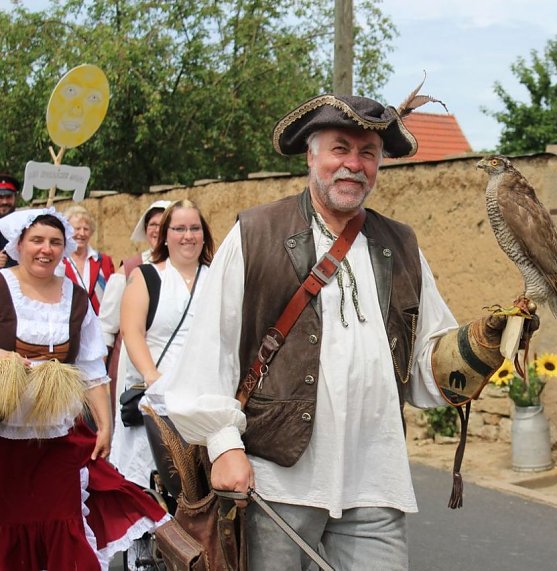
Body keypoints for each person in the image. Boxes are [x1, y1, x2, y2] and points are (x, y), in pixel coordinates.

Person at [163, 91, 517, 570]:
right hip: (278, 480)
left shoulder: (402, 244)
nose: (354, 164)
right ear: (311, 155)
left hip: (375, 481)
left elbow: (424, 361)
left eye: (368, 153)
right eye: (339, 149)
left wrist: (481, 346)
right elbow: (211, 349)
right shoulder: (258, 232)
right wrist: (224, 445)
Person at [0, 208, 169, 570]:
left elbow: (91, 369)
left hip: (57, 437)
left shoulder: (75, 299)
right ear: (19, 244)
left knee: (63, 523)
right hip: (3, 439)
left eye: (55, 242)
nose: (46, 249)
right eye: (37, 241)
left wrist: (105, 426)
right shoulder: (1, 287)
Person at [110, 199, 213, 488]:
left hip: (204, 398)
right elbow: (132, 332)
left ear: (204, 234)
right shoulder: (146, 276)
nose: (187, 235)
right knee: (154, 490)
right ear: (165, 235)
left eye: (194, 228)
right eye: (179, 228)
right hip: (158, 399)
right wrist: (151, 376)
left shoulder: (216, 276)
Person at [100, 199, 171, 412]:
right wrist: (98, 375)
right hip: (132, 366)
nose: (157, 230)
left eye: (164, 224)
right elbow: (106, 327)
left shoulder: (189, 270)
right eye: (153, 225)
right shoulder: (129, 269)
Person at [58, 204, 115, 314]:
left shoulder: (104, 261)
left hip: (100, 327)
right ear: (66, 231)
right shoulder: (58, 262)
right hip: (68, 325)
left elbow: (113, 297)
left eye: (86, 229)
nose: (82, 233)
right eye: (77, 229)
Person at [0, 173, 20, 268]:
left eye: (8, 197)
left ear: (15, 198)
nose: (4, 202)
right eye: (0, 197)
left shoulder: (25, 224)